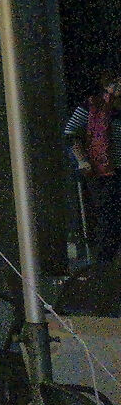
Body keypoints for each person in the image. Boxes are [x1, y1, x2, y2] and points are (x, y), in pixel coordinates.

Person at [69, 75, 121, 267]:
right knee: (109, 220)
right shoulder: (92, 105)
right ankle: (103, 267)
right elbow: (70, 133)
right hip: (104, 172)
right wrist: (82, 160)